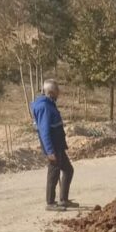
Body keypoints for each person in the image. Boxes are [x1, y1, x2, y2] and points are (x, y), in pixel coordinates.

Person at [32, 79, 78, 211]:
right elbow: (44, 131)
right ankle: (50, 203)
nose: (59, 94)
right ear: (51, 92)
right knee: (54, 173)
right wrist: (50, 151)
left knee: (68, 170)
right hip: (53, 146)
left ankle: (64, 200)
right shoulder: (44, 107)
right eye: (57, 91)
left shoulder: (49, 104)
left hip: (58, 145)